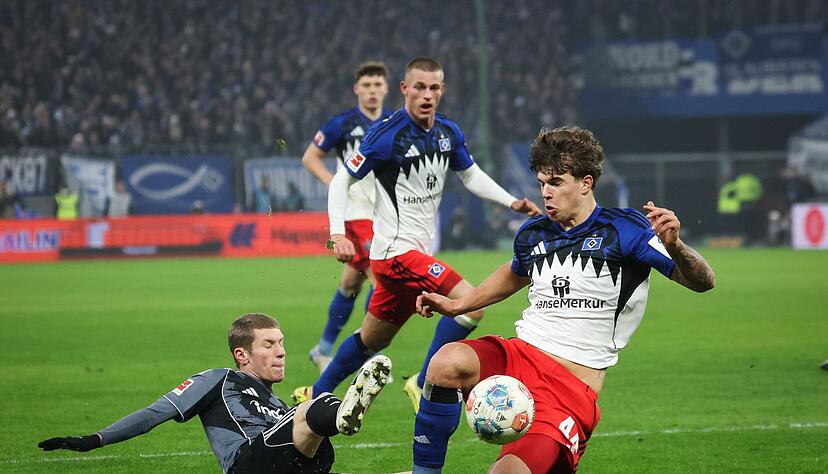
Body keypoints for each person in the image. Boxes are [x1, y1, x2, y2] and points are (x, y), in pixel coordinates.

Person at [410, 126, 716, 474]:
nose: (546, 193)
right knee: (446, 362)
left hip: (569, 390)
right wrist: (455, 305)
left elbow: (703, 282)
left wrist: (675, 246)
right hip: (520, 357)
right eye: (542, 183)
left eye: (556, 182)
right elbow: (514, 273)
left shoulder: (626, 229)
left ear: (586, 183)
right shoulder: (533, 233)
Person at [292, 57, 540, 413]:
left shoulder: (448, 133)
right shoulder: (386, 136)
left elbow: (470, 175)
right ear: (405, 89)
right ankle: (423, 382)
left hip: (413, 255)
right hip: (396, 254)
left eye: (434, 87)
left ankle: (316, 392)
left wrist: (510, 200)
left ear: (442, 90)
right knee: (472, 304)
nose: (427, 94)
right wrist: (336, 234)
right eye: (419, 87)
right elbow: (343, 180)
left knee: (370, 340)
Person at [38, 313, 392, 474]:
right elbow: (153, 415)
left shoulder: (278, 406)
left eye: (282, 343)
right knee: (312, 407)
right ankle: (341, 415)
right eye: (269, 344)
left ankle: (342, 415)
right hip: (248, 464)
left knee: (304, 413)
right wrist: (94, 439)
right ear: (242, 355)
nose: (282, 352)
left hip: (292, 460)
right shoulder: (218, 381)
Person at [301, 61, 391, 371]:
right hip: (354, 213)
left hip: (383, 213)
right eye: (366, 86)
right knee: (383, 281)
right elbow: (310, 157)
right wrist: (334, 183)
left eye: (377, 85)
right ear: (357, 89)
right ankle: (367, 347)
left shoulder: (394, 123)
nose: (372, 91)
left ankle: (323, 348)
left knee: (351, 283)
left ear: (386, 89)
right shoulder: (341, 123)